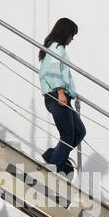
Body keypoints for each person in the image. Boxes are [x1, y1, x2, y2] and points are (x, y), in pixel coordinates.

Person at [38, 17, 85, 177]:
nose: (72, 38)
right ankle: (53, 169)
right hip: (57, 96)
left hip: (61, 97)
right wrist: (60, 92)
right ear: (65, 33)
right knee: (68, 135)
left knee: (79, 131)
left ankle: (52, 157)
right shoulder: (56, 48)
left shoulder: (56, 48)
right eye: (72, 34)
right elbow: (53, 71)